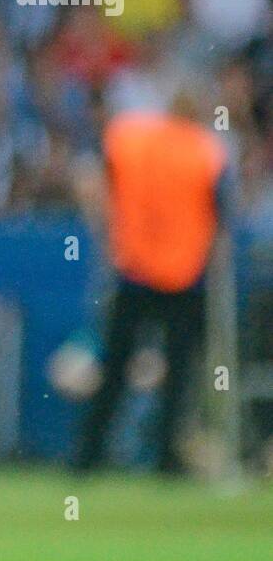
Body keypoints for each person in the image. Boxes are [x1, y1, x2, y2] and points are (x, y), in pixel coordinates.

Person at [73, 90, 230, 473]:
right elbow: (219, 218)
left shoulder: (132, 138)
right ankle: (166, 457)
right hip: (185, 275)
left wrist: (106, 229)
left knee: (114, 368)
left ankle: (89, 456)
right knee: (178, 375)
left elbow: (91, 177)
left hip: (134, 268)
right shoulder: (206, 151)